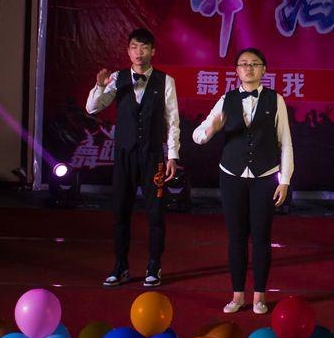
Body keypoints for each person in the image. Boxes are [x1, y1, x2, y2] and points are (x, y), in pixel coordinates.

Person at [192, 47, 293, 315]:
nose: (249, 68)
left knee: (261, 237)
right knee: (236, 237)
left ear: (264, 69)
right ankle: (237, 295)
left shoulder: (276, 100)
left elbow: (285, 142)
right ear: (237, 70)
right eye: (244, 64)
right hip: (231, 176)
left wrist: (284, 180)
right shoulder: (226, 99)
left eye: (254, 64)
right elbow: (197, 136)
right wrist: (212, 129)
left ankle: (259, 295)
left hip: (264, 177)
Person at [86, 28, 179, 287]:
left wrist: (172, 155)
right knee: (120, 212)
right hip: (124, 155)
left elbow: (172, 120)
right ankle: (120, 267)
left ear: (153, 52)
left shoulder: (165, 81)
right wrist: (99, 86)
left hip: (153, 156)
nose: (139, 53)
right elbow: (92, 108)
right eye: (135, 47)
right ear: (128, 51)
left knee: (156, 214)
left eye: (145, 47)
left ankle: (154, 266)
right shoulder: (117, 78)